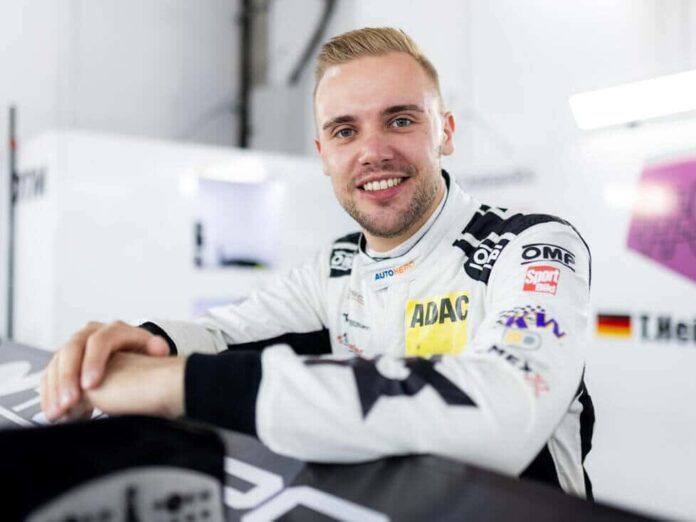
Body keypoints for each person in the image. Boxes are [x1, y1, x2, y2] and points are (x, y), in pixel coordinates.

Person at [40, 27, 594, 499]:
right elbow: (226, 332)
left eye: (401, 120)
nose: (372, 152)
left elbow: (502, 412)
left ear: (444, 133)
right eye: (345, 131)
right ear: (323, 154)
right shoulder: (334, 267)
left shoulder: (533, 245)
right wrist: (148, 344)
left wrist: (179, 384)